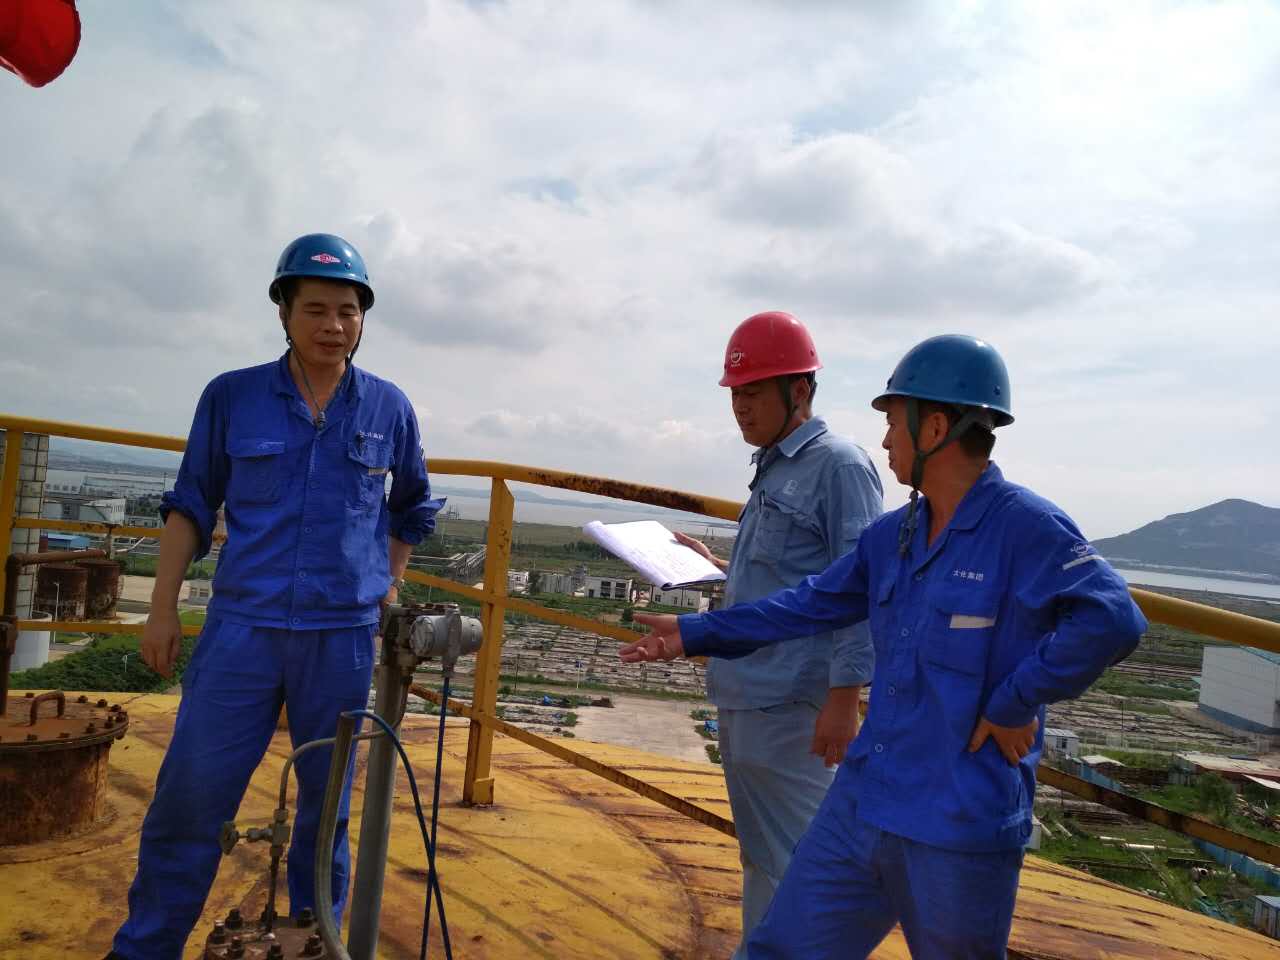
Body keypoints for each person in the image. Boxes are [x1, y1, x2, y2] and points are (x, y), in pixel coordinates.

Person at [624, 334, 1147, 959]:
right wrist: (693, 634)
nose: (885, 440)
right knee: (780, 949)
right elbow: (807, 603)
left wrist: (1016, 700)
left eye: (893, 422)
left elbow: (1114, 619)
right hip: (866, 801)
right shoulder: (897, 534)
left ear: (935, 428)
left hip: (956, 819)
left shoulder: (1025, 527)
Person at [107, 233, 443, 960]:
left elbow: (413, 507)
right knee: (191, 797)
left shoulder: (389, 406)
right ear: (284, 313)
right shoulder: (232, 396)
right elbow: (191, 505)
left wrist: (387, 583)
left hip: (342, 637)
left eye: (348, 311)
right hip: (243, 630)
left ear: (363, 318)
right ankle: (146, 948)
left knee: (327, 814)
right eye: (315, 309)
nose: (334, 326)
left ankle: (316, 941)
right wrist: (161, 610)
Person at [672, 311, 882, 957]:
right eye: (736, 392)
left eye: (754, 391)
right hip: (746, 691)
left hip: (795, 703)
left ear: (800, 390)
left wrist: (844, 698)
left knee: (800, 865)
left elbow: (861, 590)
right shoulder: (775, 465)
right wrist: (714, 566)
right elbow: (788, 576)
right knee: (764, 858)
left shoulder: (839, 466)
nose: (740, 406)